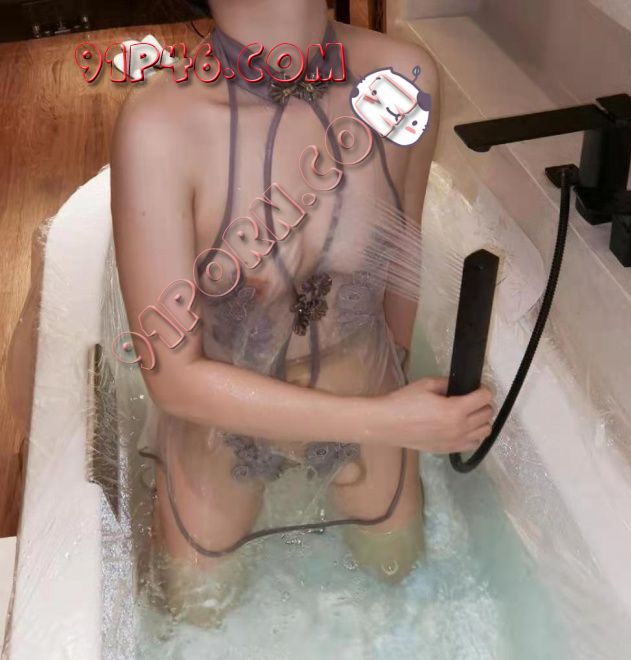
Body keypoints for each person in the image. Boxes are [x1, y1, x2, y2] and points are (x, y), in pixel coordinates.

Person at [110, 0, 493, 615]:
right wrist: (393, 423)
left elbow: (403, 252)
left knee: (403, 580)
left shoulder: (404, 78)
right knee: (195, 613)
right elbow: (173, 380)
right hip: (225, 419)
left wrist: (396, 381)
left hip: (363, 382)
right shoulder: (160, 126)